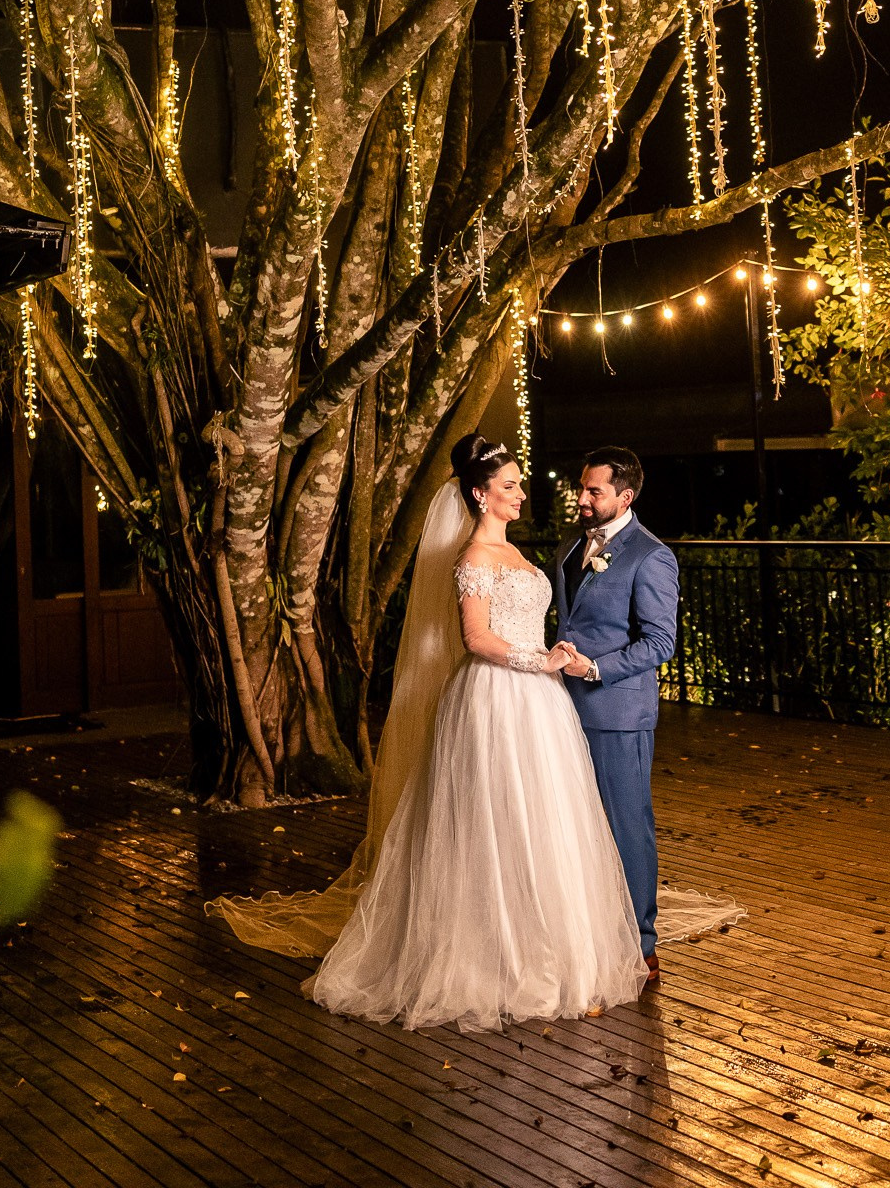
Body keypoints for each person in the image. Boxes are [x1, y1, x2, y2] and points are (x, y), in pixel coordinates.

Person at [209, 434, 650, 1029]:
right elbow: (475, 638)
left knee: (542, 817)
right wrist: (537, 659)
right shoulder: (473, 557)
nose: (522, 493)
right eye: (510, 485)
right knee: (492, 818)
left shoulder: (516, 552)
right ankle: (490, 955)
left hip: (538, 699)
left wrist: (552, 656)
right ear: (480, 494)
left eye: (519, 484)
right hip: (494, 695)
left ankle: (546, 943)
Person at [553, 447, 676, 989]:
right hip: (559, 708)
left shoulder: (651, 556)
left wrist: (595, 669)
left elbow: (661, 642)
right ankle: (589, 933)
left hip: (617, 713)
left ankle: (642, 946)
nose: (581, 498)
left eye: (593, 491)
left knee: (627, 827)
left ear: (625, 497)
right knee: (572, 825)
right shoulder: (571, 544)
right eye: (582, 487)